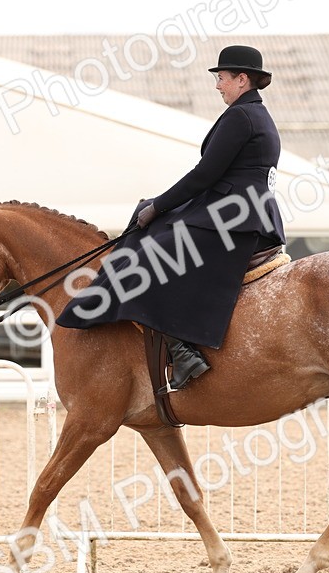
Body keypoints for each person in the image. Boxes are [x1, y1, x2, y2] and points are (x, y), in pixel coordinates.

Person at [56, 45, 286, 390]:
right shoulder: (255, 114)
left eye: (221, 78)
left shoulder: (241, 117)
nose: (217, 85)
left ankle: (182, 351)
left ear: (242, 79)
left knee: (148, 259)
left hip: (232, 218)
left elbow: (205, 174)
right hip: (240, 213)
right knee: (145, 227)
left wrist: (159, 206)